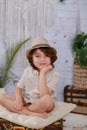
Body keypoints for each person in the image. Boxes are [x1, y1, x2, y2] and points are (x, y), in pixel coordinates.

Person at [0, 37, 59, 118]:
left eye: (46, 56)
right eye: (38, 56)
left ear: (51, 58)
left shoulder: (55, 75)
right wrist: (18, 100)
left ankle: (22, 110)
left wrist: (42, 73)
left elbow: (43, 95)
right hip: (28, 101)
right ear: (32, 58)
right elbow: (18, 88)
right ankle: (31, 113)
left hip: (43, 103)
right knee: (1, 96)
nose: (42, 59)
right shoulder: (28, 70)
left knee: (47, 99)